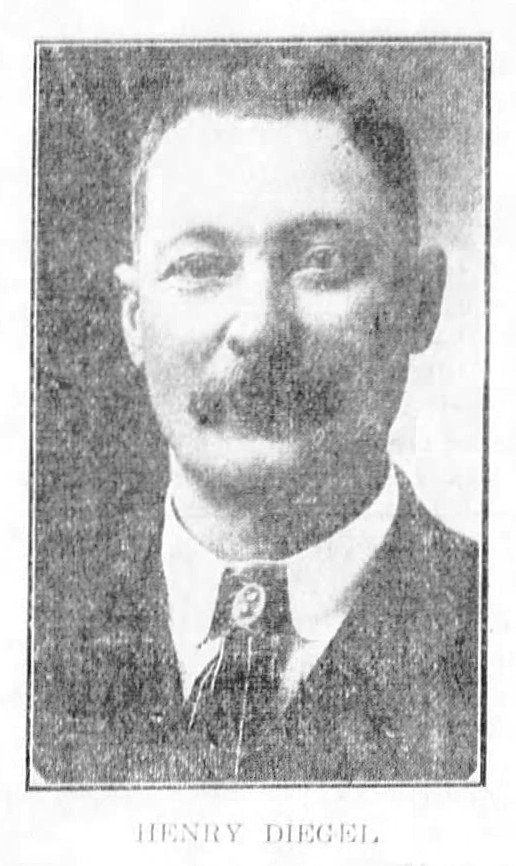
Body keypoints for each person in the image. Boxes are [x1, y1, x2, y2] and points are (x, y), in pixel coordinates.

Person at [33, 53, 479, 784]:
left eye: (322, 262)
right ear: (134, 320)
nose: (261, 329)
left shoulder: (491, 630)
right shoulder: (30, 638)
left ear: (419, 303)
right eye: (200, 266)